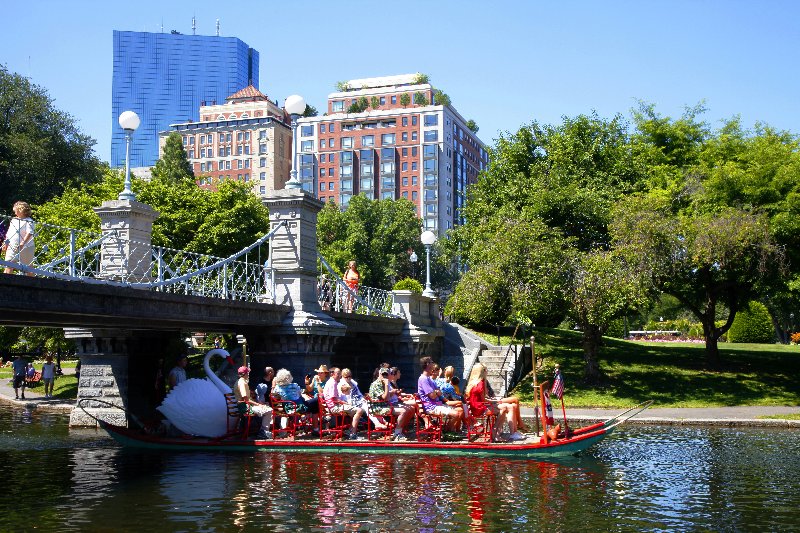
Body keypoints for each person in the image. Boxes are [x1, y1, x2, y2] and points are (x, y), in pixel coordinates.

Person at [466, 363, 524, 441]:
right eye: (485, 370)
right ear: (482, 372)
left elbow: (481, 399)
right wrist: (495, 401)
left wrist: (494, 401)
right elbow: (484, 400)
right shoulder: (481, 383)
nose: (487, 372)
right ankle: (497, 432)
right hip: (480, 409)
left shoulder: (473, 383)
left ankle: (504, 433)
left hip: (476, 408)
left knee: (508, 407)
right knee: (505, 407)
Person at [417, 356, 463, 432]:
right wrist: (436, 392)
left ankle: (449, 430)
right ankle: (447, 431)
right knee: (456, 414)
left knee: (460, 411)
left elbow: (439, 392)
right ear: (428, 364)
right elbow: (432, 395)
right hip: (431, 407)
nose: (433, 364)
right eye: (432, 362)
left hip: (437, 404)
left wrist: (435, 392)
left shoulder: (429, 379)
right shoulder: (423, 379)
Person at [369, 366, 414, 440]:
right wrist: (387, 386)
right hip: (379, 408)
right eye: (383, 374)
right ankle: (397, 433)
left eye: (386, 374)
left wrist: (392, 391)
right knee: (404, 411)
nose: (385, 376)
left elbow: (387, 397)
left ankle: (400, 429)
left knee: (411, 409)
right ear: (379, 374)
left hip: (386, 405)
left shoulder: (384, 383)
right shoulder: (376, 384)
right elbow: (385, 398)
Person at [322, 367, 365, 440]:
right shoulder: (333, 383)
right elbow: (334, 399)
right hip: (334, 407)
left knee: (354, 409)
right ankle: (353, 434)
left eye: (340, 374)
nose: (340, 376)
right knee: (359, 410)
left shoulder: (331, 382)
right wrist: (344, 403)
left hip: (334, 406)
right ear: (332, 374)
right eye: (338, 374)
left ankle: (350, 430)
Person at [234, 366, 273, 439]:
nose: (248, 374)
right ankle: (263, 432)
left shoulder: (239, 381)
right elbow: (246, 399)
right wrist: (258, 404)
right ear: (246, 373)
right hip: (246, 407)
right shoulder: (242, 383)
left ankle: (261, 431)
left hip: (244, 405)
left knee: (264, 408)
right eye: (248, 373)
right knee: (269, 410)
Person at [2, 201, 35, 276]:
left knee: (29, 267)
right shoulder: (14, 220)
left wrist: (23, 243)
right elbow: (9, 233)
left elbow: (29, 232)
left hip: (26, 247)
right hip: (12, 245)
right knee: (9, 263)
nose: (14, 212)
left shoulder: (29, 221)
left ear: (20, 210)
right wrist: (6, 242)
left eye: (15, 210)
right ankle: (5, 283)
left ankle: (33, 284)